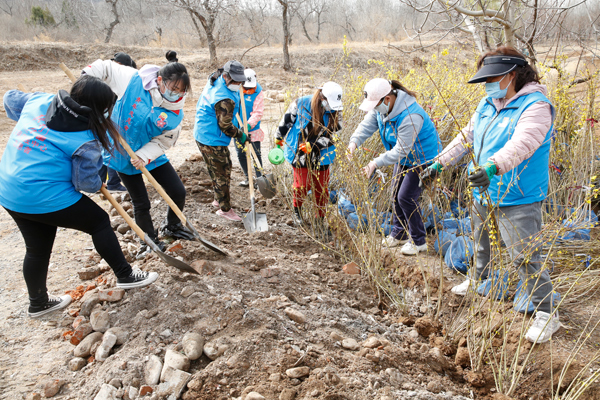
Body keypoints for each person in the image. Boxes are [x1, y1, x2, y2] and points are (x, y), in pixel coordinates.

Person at [419, 46, 558, 343]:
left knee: (525, 257)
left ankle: (546, 313)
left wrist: (493, 167)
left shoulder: (535, 105)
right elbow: (466, 137)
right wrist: (438, 164)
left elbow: (523, 144)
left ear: (511, 75)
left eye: (491, 78)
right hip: (483, 189)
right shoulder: (488, 103)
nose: (487, 85)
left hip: (517, 194)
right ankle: (479, 280)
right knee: (481, 243)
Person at [0, 76, 159, 318]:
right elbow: (86, 183)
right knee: (98, 222)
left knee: (37, 247)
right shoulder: (85, 137)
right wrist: (99, 182)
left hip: (10, 190)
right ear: (97, 109)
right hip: (44, 194)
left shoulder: (39, 101)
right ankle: (125, 275)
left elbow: (11, 99)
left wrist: (27, 122)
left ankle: (39, 303)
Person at [83, 51, 194, 258]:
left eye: (181, 90)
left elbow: (163, 141)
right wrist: (86, 77)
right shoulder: (134, 81)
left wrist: (144, 155)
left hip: (151, 153)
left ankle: (172, 226)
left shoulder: (175, 112)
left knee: (177, 191)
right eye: (173, 88)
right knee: (141, 201)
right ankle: (149, 240)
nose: (177, 94)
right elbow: (106, 68)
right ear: (160, 81)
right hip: (121, 152)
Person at [348, 79, 441, 256]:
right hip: (405, 156)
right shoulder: (381, 110)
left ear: (387, 99)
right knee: (395, 193)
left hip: (424, 158)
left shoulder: (410, 115)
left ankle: (418, 240)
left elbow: (401, 150)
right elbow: (367, 125)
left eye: (376, 105)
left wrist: (374, 163)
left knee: (406, 196)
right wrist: (353, 142)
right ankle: (399, 234)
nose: (374, 109)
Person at [276, 82, 343, 229]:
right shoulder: (301, 103)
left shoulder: (336, 110)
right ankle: (297, 211)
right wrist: (279, 137)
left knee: (321, 188)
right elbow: (287, 120)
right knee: (301, 186)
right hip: (299, 152)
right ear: (321, 97)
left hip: (323, 153)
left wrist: (314, 146)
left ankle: (319, 219)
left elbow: (336, 135)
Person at [193, 60, 249, 221]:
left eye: (241, 80)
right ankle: (225, 209)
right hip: (212, 137)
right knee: (222, 172)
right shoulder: (223, 98)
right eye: (236, 80)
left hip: (203, 132)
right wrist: (241, 135)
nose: (238, 83)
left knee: (216, 167)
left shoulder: (214, 78)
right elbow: (225, 126)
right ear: (226, 76)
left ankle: (218, 199)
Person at [97, 52, 138, 192]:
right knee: (113, 149)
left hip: (109, 117)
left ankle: (101, 182)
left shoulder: (123, 79)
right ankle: (110, 183)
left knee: (105, 148)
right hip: (109, 118)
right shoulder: (111, 79)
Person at [233, 69, 265, 187]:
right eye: (246, 87)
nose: (249, 90)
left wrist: (248, 125)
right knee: (241, 154)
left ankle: (260, 180)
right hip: (237, 129)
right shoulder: (236, 89)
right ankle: (248, 178)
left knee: (255, 154)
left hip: (252, 129)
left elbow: (258, 112)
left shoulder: (258, 92)